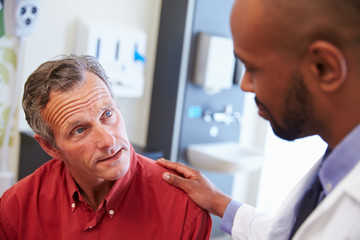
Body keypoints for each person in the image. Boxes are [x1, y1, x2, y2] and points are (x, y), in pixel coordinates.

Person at [157, 0, 360, 239]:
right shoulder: (334, 168)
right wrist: (218, 201)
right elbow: (287, 234)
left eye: (252, 69)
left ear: (324, 67)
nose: (244, 86)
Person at [0, 55, 212, 239]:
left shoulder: (183, 208)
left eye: (107, 114)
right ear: (50, 147)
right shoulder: (16, 208)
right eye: (80, 130)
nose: (108, 141)